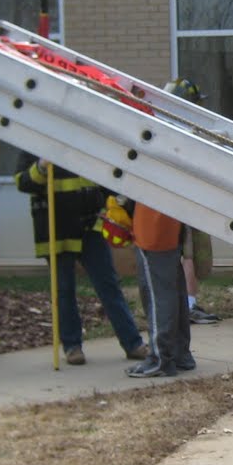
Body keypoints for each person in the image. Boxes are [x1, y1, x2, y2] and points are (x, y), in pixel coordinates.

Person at [14, 154, 148, 367]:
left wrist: (116, 202)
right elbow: (23, 182)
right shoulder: (36, 140)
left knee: (108, 284)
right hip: (57, 229)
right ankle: (72, 346)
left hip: (90, 225)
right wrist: (41, 165)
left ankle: (133, 343)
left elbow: (105, 180)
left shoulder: (85, 139)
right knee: (64, 289)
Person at [166, 78, 220, 325]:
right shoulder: (178, 128)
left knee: (188, 255)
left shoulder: (169, 125)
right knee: (187, 255)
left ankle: (186, 304)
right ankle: (188, 306)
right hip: (181, 202)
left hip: (183, 200)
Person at [129, 193, 197, 379]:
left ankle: (160, 358)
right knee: (173, 294)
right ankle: (179, 353)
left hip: (153, 228)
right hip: (169, 224)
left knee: (158, 296)